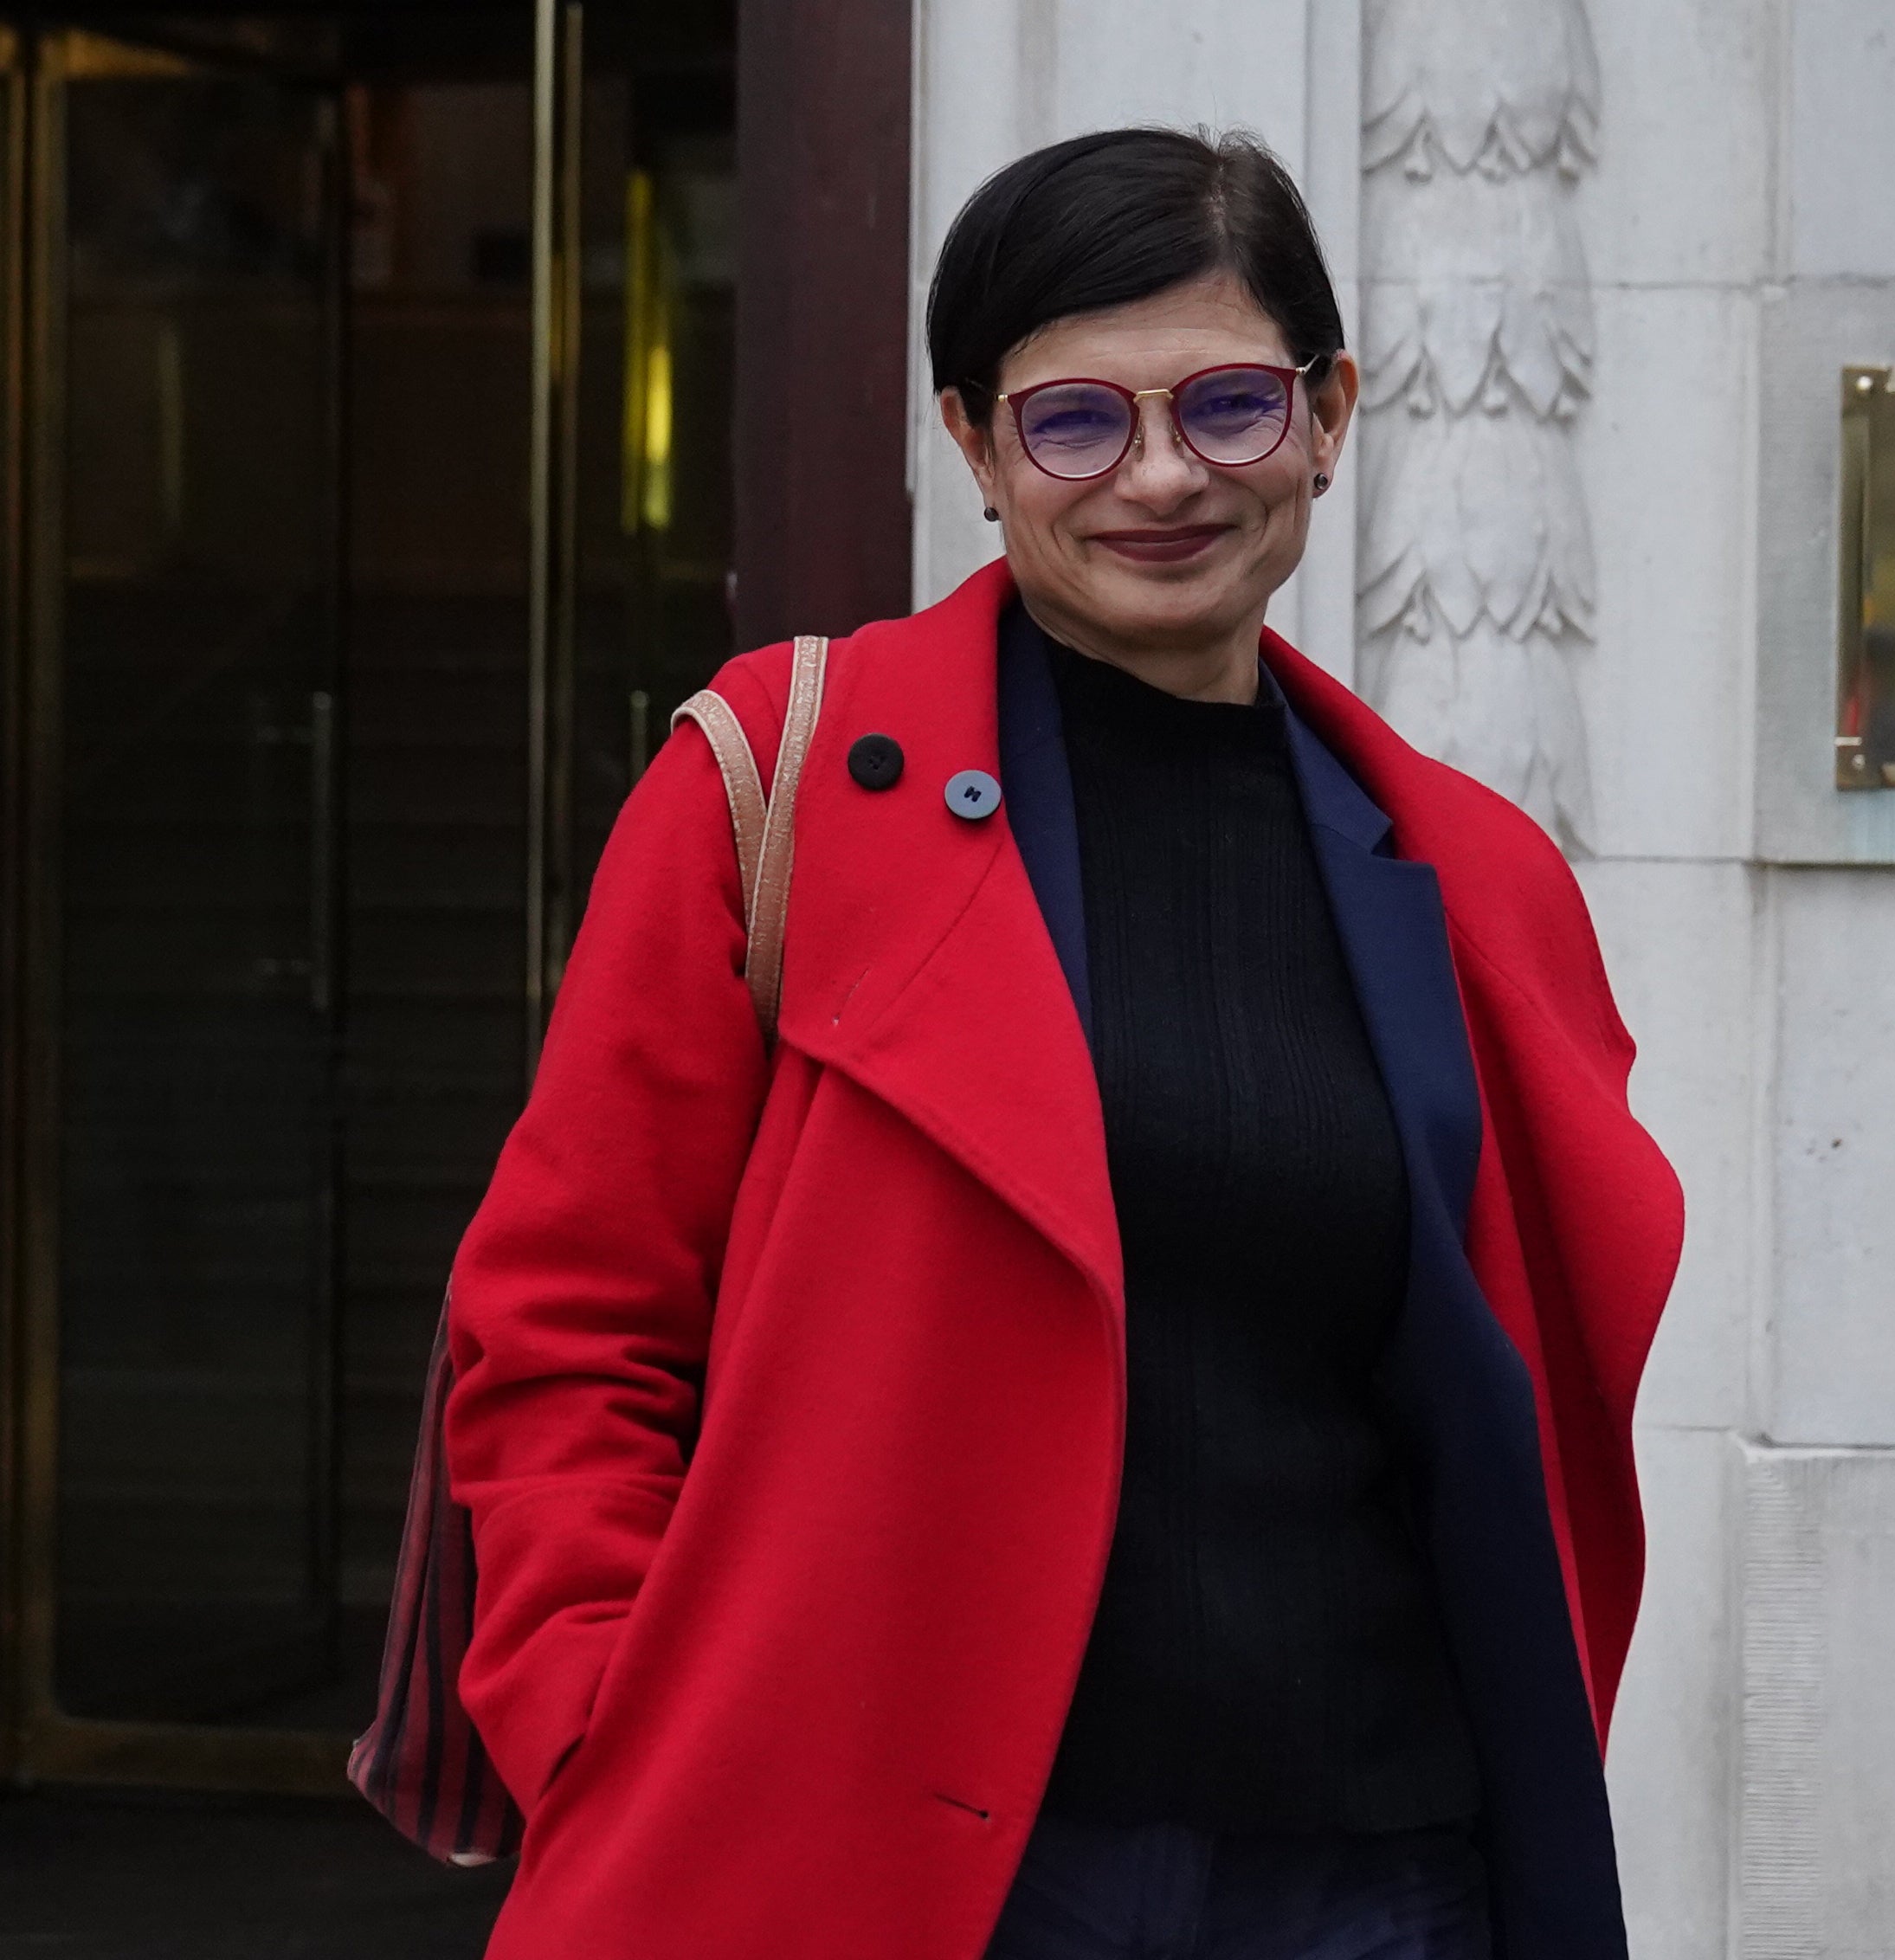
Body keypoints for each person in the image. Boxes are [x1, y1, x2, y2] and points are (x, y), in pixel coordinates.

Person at [441, 127, 1682, 1960]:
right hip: (906, 1869)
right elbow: (568, 1322)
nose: (1162, 475)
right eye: (1076, 418)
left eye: (1231, 406)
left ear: (1330, 416)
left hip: (1374, 1872)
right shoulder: (776, 782)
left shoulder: (1465, 874)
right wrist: (606, 1725)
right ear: (974, 445)